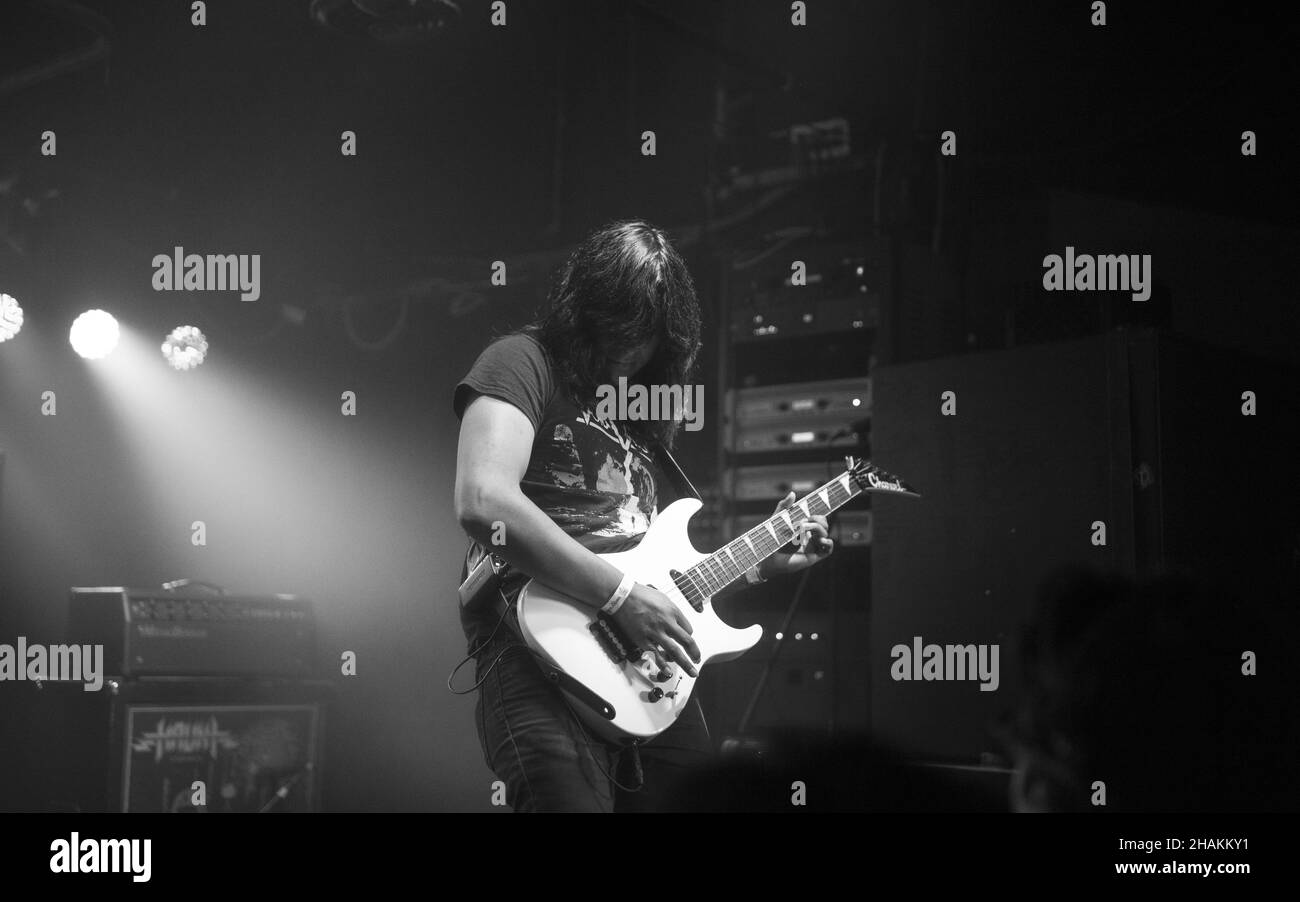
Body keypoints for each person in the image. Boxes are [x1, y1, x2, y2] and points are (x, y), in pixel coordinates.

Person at [451, 219, 834, 812]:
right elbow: (483, 502)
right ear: (581, 310)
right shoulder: (521, 361)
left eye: (643, 337)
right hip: (537, 647)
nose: (624, 351)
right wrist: (622, 597)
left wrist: (760, 565)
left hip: (647, 676)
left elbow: (659, 567)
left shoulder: (642, 410)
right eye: (615, 329)